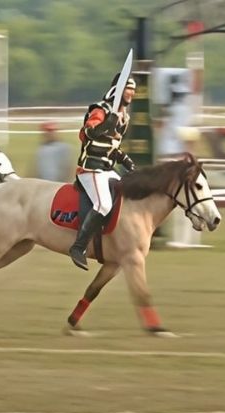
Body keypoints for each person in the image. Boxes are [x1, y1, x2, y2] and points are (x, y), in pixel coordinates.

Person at [69, 73, 137, 271]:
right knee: (104, 204)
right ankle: (78, 247)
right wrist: (107, 123)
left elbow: (111, 146)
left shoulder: (125, 117)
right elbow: (87, 133)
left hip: (107, 169)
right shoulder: (101, 109)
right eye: (128, 89)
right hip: (90, 168)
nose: (131, 93)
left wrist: (126, 161)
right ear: (117, 90)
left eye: (133, 89)